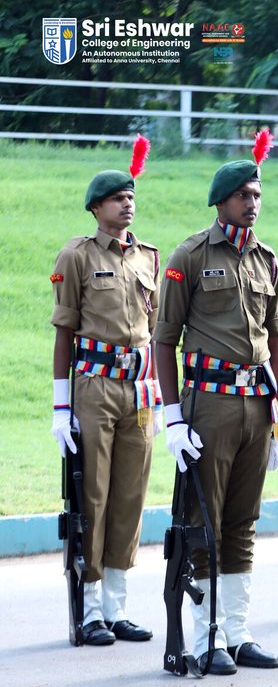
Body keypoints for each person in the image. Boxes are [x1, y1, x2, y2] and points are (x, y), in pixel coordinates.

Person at [154, 132, 278, 674]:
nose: (252, 204)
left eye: (257, 195)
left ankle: (238, 631)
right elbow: (164, 340)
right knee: (203, 520)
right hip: (206, 403)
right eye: (243, 196)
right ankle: (206, 635)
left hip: (256, 404)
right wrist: (172, 415)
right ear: (221, 202)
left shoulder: (267, 258)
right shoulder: (190, 254)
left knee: (243, 520)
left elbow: (276, 340)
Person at [50, 136, 159, 646]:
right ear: (97, 208)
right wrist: (60, 404)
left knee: (130, 496)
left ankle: (116, 606)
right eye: (118, 198)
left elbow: (156, 330)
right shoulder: (77, 256)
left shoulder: (149, 258)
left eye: (131, 196)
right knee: (91, 493)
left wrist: (160, 395)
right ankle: (90, 608)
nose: (127, 204)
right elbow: (64, 332)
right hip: (93, 385)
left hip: (138, 388)